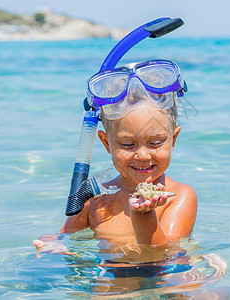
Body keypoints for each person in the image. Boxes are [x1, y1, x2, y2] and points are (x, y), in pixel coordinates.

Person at [33, 59, 198, 262]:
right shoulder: (95, 199)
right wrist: (52, 242)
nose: (143, 156)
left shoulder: (179, 196)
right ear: (106, 143)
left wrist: (144, 215)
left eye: (155, 143)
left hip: (166, 279)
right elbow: (64, 236)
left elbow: (160, 256)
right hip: (111, 281)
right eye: (128, 145)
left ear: (173, 139)